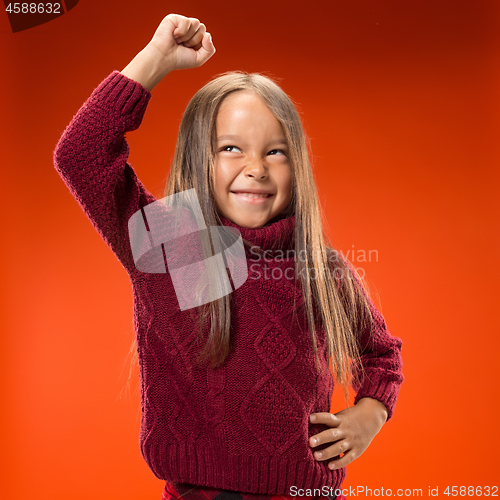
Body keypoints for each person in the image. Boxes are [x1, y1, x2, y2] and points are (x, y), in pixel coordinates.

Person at [53, 13, 404, 500]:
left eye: (276, 152)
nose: (255, 169)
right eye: (231, 148)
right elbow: (80, 153)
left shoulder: (318, 269)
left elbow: (381, 354)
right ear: (200, 156)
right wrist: (155, 59)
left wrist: (371, 413)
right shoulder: (175, 245)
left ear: (297, 163)